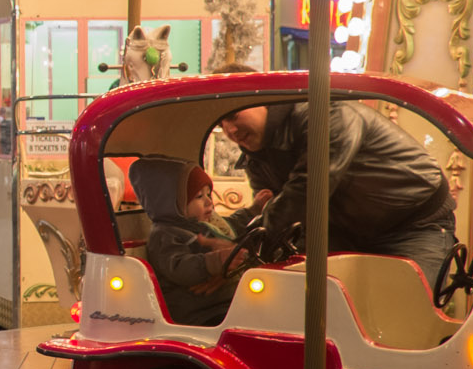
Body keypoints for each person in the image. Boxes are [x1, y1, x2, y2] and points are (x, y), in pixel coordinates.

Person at [216, 99, 455, 285]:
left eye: (233, 115)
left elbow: (307, 189)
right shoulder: (256, 158)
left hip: (413, 225)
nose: (230, 130)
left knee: (408, 316)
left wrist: (239, 258)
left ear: (264, 101)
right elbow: (276, 220)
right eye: (221, 123)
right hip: (343, 233)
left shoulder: (327, 115)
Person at [132, 157, 249, 326]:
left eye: (208, 194)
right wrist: (214, 261)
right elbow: (179, 268)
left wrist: (254, 211)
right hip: (198, 313)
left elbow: (232, 227)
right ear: (172, 204)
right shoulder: (165, 234)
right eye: (199, 196)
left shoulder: (201, 225)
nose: (209, 201)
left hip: (224, 304)